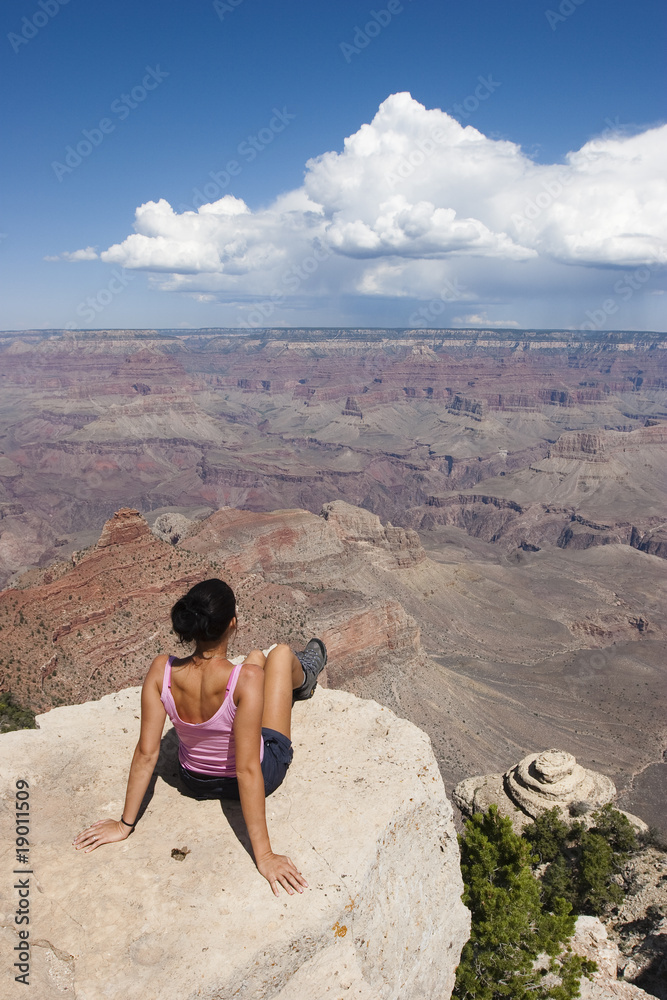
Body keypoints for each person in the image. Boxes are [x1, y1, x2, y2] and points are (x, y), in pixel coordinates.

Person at [73, 578, 327, 896]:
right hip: (261, 773)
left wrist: (125, 825)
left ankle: (294, 673)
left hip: (194, 780)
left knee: (254, 658)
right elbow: (248, 769)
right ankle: (304, 677)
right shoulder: (246, 681)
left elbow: (146, 753)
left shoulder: (161, 671)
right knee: (277, 654)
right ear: (232, 623)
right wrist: (264, 856)